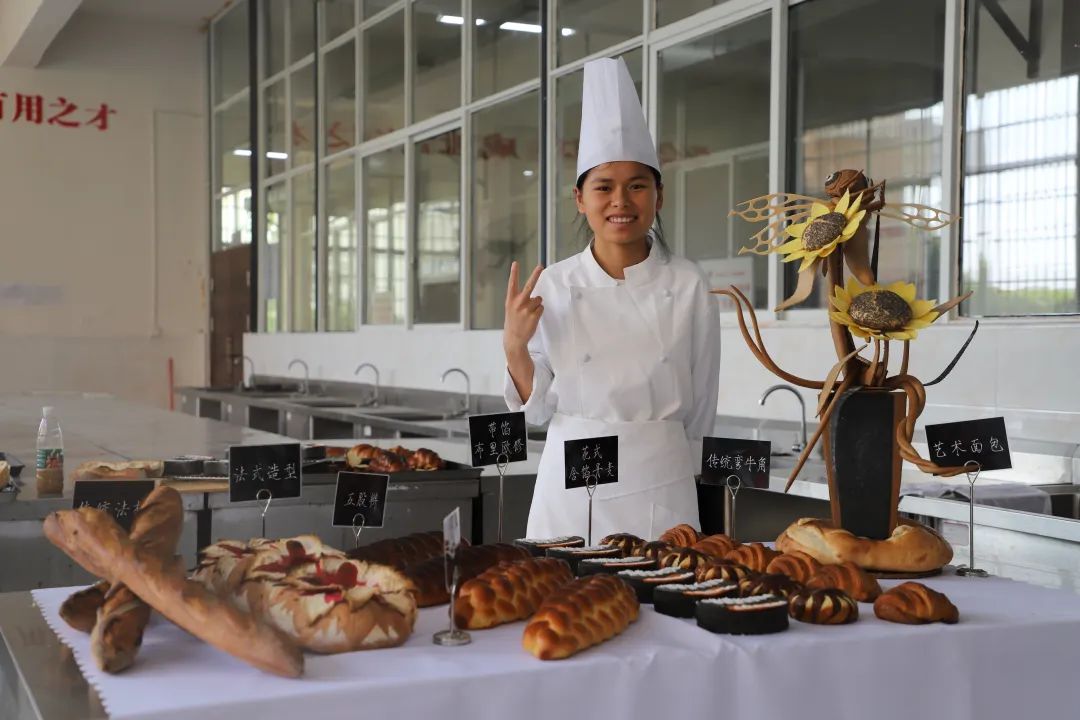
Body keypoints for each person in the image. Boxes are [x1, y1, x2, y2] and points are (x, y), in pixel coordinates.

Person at [503, 57, 721, 540]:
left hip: (662, 484)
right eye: (604, 187)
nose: (621, 201)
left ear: (658, 196)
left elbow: (703, 401)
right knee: (562, 586)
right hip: (571, 486)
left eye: (637, 186)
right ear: (580, 199)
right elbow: (535, 413)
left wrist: (692, 470)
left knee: (664, 585)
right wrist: (515, 346)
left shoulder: (689, 283)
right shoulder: (553, 284)